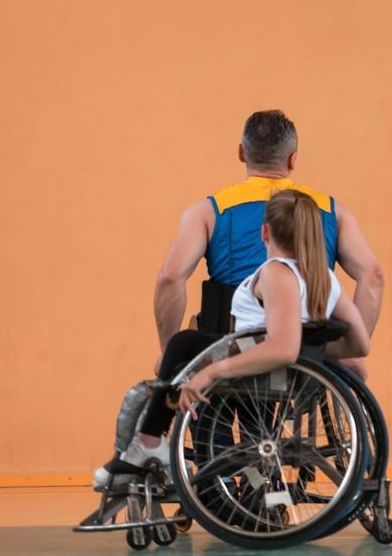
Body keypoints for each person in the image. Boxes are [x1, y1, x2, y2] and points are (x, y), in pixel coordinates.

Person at [96, 189, 370, 487]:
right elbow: (359, 345)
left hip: (256, 373)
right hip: (282, 377)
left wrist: (212, 371)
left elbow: (283, 348)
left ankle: (149, 444)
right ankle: (254, 489)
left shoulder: (276, 274)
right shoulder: (325, 279)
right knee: (187, 351)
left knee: (182, 347)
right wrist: (314, 350)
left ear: (264, 231)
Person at [152, 109, 384, 379]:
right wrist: (347, 352)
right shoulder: (331, 211)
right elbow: (373, 276)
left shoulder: (209, 210)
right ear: (293, 159)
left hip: (230, 344)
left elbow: (170, 278)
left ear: (241, 153)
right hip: (304, 351)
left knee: (186, 346)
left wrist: (168, 352)